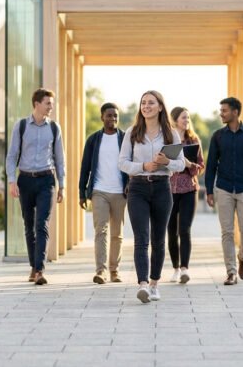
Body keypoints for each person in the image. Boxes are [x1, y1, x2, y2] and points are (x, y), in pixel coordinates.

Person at [118, 90, 184, 303]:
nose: (146, 106)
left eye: (151, 103)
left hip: (162, 189)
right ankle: (143, 284)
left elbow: (181, 164)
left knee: (158, 239)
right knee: (141, 238)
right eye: (143, 103)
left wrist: (166, 162)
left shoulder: (171, 134)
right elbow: (122, 163)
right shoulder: (132, 132)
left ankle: (155, 284)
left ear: (160, 107)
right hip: (137, 188)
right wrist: (143, 166)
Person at [5, 88, 65, 286]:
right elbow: (12, 155)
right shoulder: (21, 126)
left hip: (46, 179)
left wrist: (61, 184)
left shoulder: (54, 128)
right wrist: (12, 181)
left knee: (42, 224)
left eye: (52, 104)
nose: (51, 107)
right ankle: (33, 266)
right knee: (29, 225)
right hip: (25, 180)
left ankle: (39, 270)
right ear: (37, 104)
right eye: (48, 103)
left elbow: (59, 159)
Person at [205, 97, 243, 286]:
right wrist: (209, 191)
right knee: (227, 232)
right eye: (221, 110)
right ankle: (230, 272)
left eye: (224, 110)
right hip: (223, 188)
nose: (221, 113)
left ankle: (242, 258)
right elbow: (211, 166)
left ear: (235, 112)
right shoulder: (217, 136)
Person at [78, 103, 129, 284]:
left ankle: (115, 270)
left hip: (120, 192)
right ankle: (101, 271)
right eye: (109, 115)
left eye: (115, 115)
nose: (113, 119)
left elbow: (131, 164)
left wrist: (130, 184)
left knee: (117, 233)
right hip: (99, 191)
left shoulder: (124, 139)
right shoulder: (93, 140)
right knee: (101, 230)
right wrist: (82, 192)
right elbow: (85, 167)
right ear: (102, 117)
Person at [167, 107, 205, 284]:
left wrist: (190, 165)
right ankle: (175, 268)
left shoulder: (194, 140)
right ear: (175, 120)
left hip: (189, 189)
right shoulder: (167, 139)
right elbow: (162, 164)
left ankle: (184, 269)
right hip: (168, 191)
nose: (187, 120)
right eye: (184, 117)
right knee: (171, 231)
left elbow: (200, 166)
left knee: (185, 230)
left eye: (188, 117)